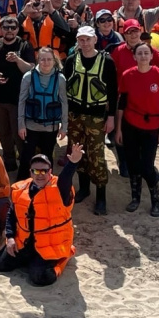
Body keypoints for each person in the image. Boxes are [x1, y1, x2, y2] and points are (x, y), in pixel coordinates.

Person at [0, 145, 85, 287]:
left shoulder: (60, 190)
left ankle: (63, 260)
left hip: (49, 245)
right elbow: (12, 214)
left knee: (39, 278)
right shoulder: (20, 189)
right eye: (36, 170)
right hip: (25, 243)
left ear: (50, 172)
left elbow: (66, 179)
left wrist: (73, 163)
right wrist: (10, 238)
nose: (40, 174)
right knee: (0, 264)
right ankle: (30, 260)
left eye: (44, 171)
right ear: (31, 172)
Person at [64, 26, 117, 215]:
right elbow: (65, 90)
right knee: (77, 152)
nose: (84, 43)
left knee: (96, 156)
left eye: (88, 39)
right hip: (75, 115)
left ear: (95, 39)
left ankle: (101, 196)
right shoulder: (71, 60)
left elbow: (113, 92)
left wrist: (111, 118)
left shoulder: (107, 62)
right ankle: (84, 189)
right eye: (81, 40)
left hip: (96, 116)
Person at [116, 39, 159, 217]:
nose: (143, 56)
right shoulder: (127, 75)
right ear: (134, 56)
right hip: (130, 124)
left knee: (147, 166)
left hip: (152, 127)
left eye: (146, 53)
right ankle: (135, 198)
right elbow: (122, 104)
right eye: (139, 53)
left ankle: (156, 200)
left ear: (152, 56)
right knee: (132, 163)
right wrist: (118, 129)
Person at [0, 14, 33, 178]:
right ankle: (9, 161)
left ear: (17, 29)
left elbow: (30, 69)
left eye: (13, 27)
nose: (9, 30)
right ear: (1, 29)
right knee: (3, 132)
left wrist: (17, 60)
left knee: (19, 134)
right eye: (6, 27)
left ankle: (25, 165)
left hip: (18, 99)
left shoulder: (25, 45)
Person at [18, 47, 68, 169]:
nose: (46, 62)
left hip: (51, 127)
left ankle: (47, 184)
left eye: (49, 59)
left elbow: (64, 103)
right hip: (31, 125)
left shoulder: (60, 79)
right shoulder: (28, 77)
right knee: (27, 157)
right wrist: (21, 125)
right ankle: (23, 182)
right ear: (38, 60)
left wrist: (64, 127)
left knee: (47, 156)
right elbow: (22, 101)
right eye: (43, 59)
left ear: (54, 60)